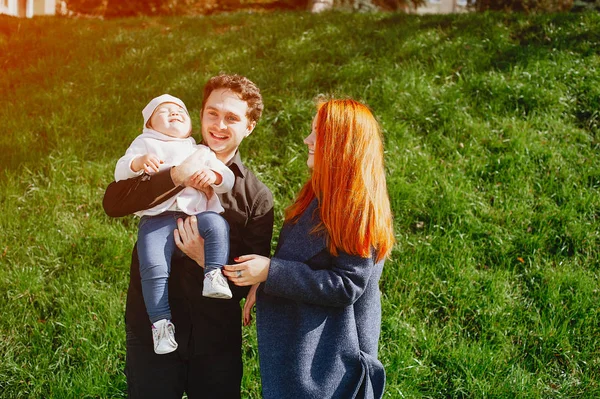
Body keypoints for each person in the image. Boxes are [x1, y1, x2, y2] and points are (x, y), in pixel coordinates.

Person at [103, 75, 274, 398]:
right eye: (212, 113)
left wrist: (204, 257)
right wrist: (177, 176)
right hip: (150, 329)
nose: (219, 125)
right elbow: (113, 203)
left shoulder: (256, 196)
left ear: (249, 126)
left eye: (232, 118)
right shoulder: (162, 156)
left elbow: (252, 279)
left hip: (214, 339)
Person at [222, 99, 395, 399]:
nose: (308, 140)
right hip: (307, 352)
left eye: (319, 133)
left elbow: (347, 284)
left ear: (342, 145)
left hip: (331, 365)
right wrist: (263, 282)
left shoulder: (356, 208)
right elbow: (298, 257)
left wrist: (269, 271)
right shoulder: (320, 193)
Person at [114, 94, 235, 355]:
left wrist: (213, 175)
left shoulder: (200, 151)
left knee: (217, 225)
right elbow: (120, 171)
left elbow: (227, 179)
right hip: (157, 218)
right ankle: (160, 323)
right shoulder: (145, 143)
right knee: (153, 264)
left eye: (180, 110)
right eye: (164, 111)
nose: (174, 113)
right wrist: (138, 163)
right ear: (149, 124)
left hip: (195, 215)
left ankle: (213, 274)